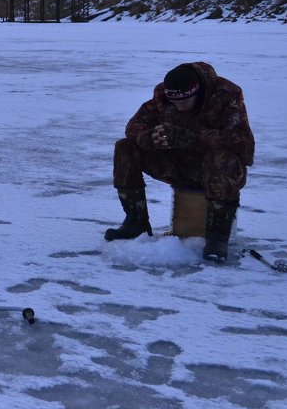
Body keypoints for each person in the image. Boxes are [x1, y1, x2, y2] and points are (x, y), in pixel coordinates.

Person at [104, 62, 255, 262]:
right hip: (178, 164)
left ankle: (217, 238)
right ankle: (136, 222)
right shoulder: (162, 96)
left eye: (184, 102)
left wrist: (195, 138)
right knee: (125, 147)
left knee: (222, 158)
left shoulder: (226, 95)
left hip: (217, 172)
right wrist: (148, 137)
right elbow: (134, 125)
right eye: (174, 102)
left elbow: (244, 146)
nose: (178, 107)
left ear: (198, 93)